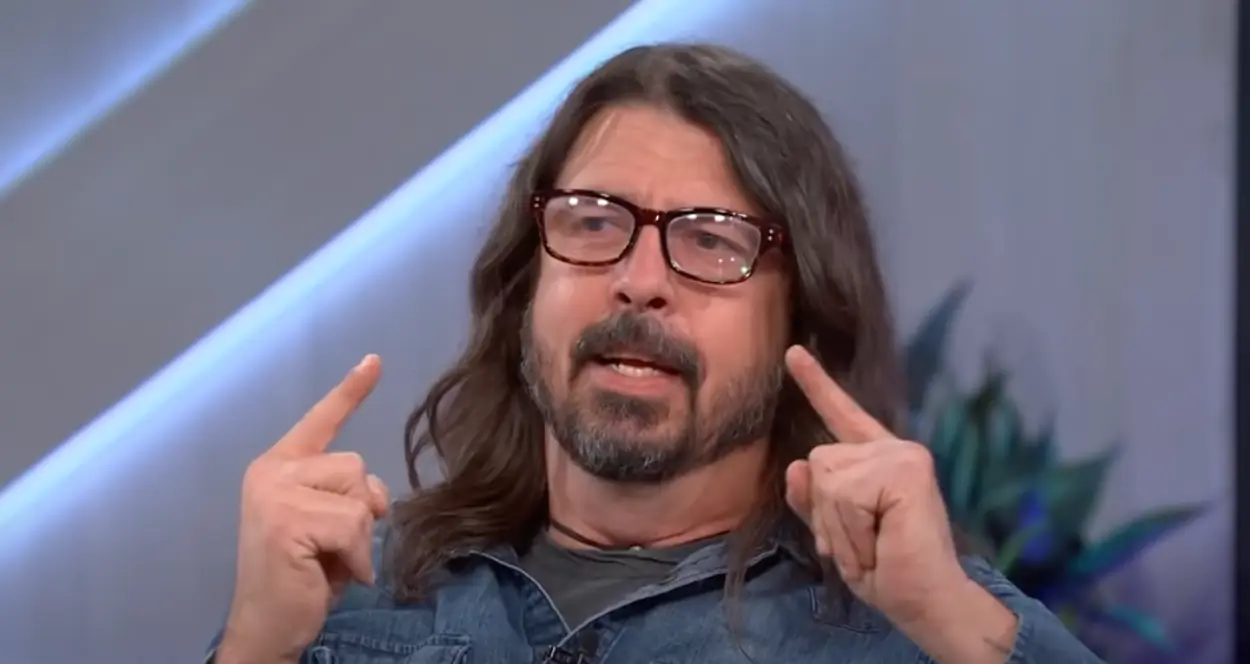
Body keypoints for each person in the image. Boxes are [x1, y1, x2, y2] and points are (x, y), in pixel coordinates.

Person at [207, 43, 1102, 663]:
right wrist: (254, 647)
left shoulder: (916, 622)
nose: (639, 282)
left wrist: (947, 620)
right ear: (527, 284)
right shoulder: (351, 594)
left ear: (802, 314)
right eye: (594, 223)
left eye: (711, 240)